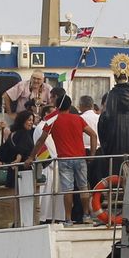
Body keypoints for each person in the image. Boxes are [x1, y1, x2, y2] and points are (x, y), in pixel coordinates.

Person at [34, 93, 99, 225]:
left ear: (57, 106)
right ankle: (86, 215)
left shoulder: (53, 121)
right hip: (80, 158)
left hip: (64, 159)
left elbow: (41, 140)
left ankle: (68, 219)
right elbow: (93, 135)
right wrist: (92, 154)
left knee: (68, 190)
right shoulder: (78, 119)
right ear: (70, 106)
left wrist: (31, 156)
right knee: (83, 188)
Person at [95, 71, 129, 184]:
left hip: (114, 136)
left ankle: (115, 189)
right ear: (128, 76)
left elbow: (107, 116)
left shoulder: (112, 94)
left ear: (115, 77)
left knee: (115, 164)